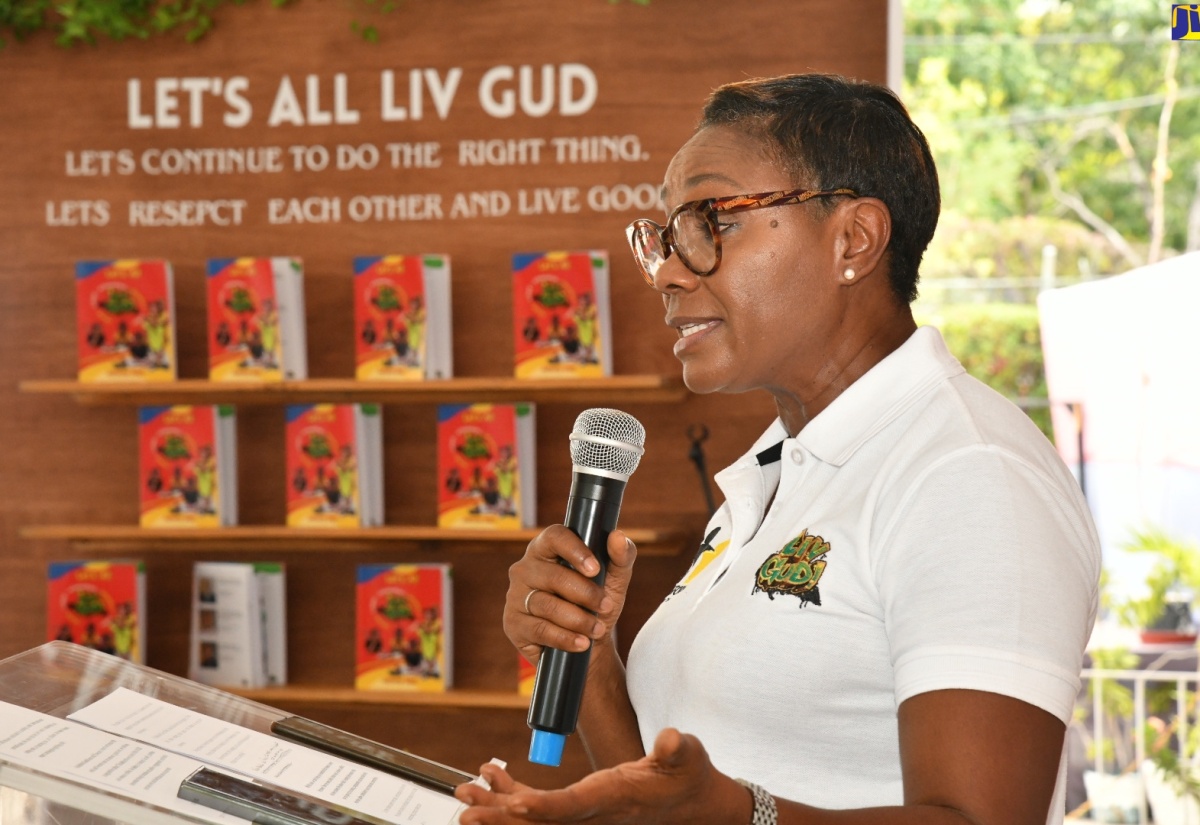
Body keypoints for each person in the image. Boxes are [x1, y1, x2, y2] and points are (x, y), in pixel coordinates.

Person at [456, 73, 1101, 825]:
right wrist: (590, 653)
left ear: (853, 240)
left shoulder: (970, 475)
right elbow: (666, 797)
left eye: (709, 221)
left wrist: (744, 816)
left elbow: (980, 819)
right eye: (663, 236)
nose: (667, 270)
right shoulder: (778, 473)